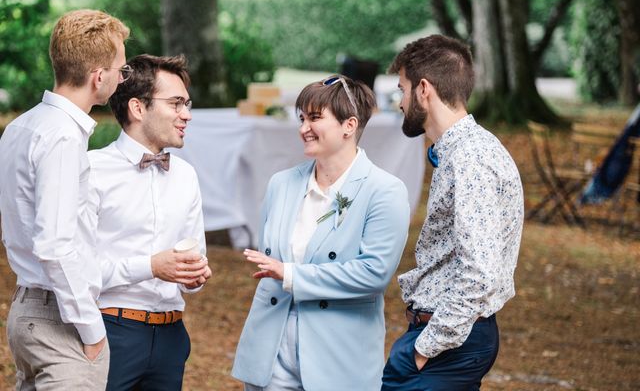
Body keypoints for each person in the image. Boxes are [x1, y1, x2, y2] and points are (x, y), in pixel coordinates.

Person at [232, 75, 410, 390]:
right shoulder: (281, 184)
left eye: (315, 118)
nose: (303, 128)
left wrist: (291, 275)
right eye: (301, 118)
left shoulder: (384, 191)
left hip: (338, 360)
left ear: (349, 125)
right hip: (271, 356)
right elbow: (268, 255)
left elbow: (373, 274)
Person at [381, 35, 524, 390]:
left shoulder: (471, 159)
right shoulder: (461, 151)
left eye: (402, 89)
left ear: (424, 89)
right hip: (442, 338)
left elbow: (479, 272)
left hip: (448, 344)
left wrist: (426, 347)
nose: (400, 102)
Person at [0, 9, 130, 389]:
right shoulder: (61, 137)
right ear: (98, 76)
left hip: (27, 307)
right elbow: (55, 245)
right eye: (120, 70)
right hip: (60, 317)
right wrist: (92, 331)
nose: (122, 78)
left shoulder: (21, 126)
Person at [82, 54, 212, 390]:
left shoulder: (186, 175)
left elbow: (191, 273)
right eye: (176, 103)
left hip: (172, 337)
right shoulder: (91, 170)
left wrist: (195, 274)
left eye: (187, 103)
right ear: (138, 108)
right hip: (110, 332)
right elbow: (77, 271)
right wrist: (151, 266)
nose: (187, 114)